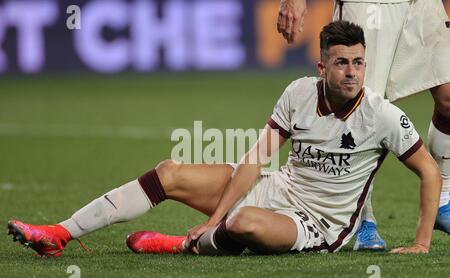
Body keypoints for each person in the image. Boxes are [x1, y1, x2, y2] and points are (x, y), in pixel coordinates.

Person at [8, 21, 441, 257]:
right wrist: (213, 217)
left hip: (319, 225)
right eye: (342, 62)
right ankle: (59, 233)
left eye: (359, 63)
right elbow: (254, 161)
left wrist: (421, 244)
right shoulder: (297, 93)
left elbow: (429, 171)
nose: (352, 72)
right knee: (170, 173)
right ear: (321, 65)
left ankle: (181, 245)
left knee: (244, 221)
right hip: (279, 187)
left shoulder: (382, 115)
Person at [277, 0, 450, 251]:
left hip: (422, 3)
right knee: (360, 103)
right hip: (370, 4)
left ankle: (443, 197)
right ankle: (363, 218)